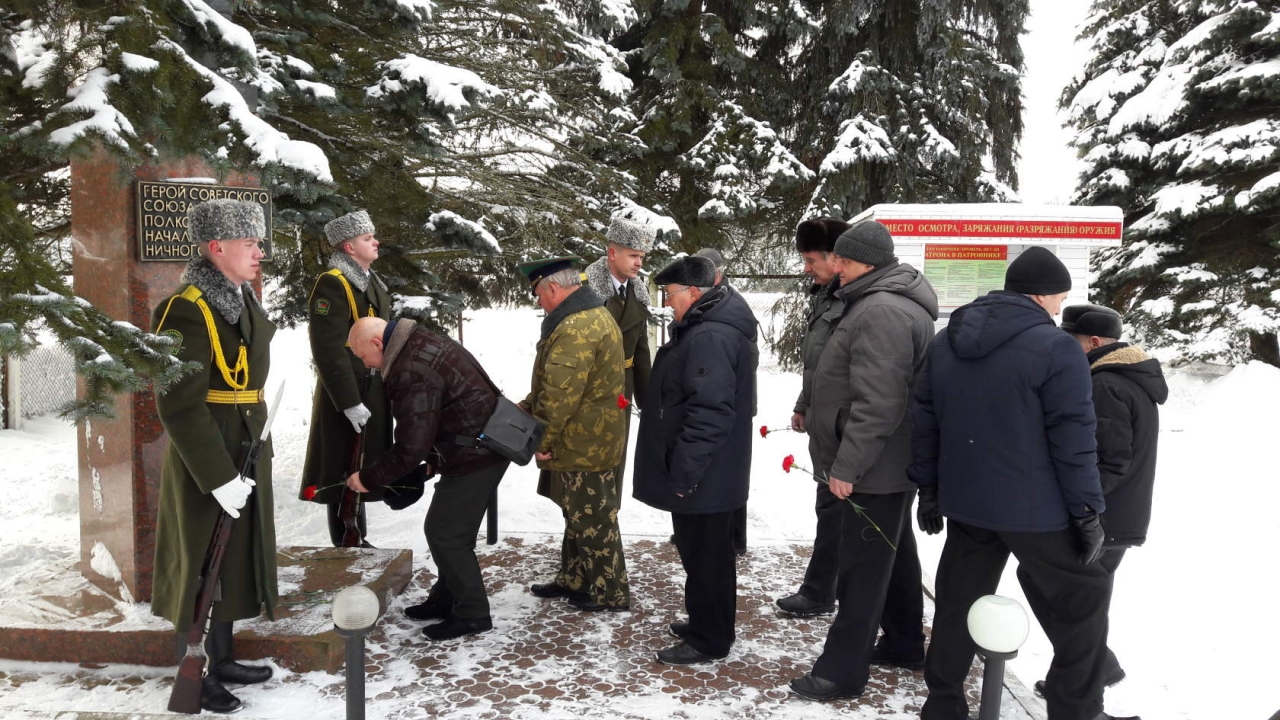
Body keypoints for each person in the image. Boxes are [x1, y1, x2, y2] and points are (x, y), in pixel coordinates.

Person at [910, 246, 1130, 720]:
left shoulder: (946, 341)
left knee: (958, 602)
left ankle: (943, 703)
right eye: (1060, 299)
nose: (1059, 309)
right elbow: (1074, 438)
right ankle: (1076, 710)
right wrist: (1086, 511)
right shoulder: (1057, 348)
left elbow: (925, 420)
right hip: (1035, 509)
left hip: (968, 503)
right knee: (1086, 598)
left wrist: (928, 489)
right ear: (1043, 295)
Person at [788, 221, 937, 700]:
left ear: (869, 264)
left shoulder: (883, 311)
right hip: (883, 464)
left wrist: (847, 467)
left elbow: (879, 403)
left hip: (874, 467)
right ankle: (904, 642)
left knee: (861, 571)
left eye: (845, 261)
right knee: (894, 554)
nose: (837, 268)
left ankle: (841, 671)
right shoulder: (874, 301)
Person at [150, 199, 277, 714]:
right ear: (216, 247)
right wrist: (218, 476)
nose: (259, 253)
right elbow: (178, 404)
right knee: (202, 560)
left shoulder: (240, 299)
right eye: (250, 243)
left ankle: (221, 658)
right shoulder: (186, 308)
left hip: (244, 444)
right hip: (209, 454)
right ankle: (194, 671)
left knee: (232, 555)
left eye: (258, 242)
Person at [1023, 304, 1167, 700]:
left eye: (1071, 340)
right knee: (1075, 596)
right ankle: (1093, 669)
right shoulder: (1126, 378)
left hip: (1105, 519)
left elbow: (1108, 461)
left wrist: (1081, 511)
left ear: (1095, 342)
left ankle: (1088, 676)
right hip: (1119, 515)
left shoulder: (1106, 385)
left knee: (1057, 589)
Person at [344, 316, 510, 641]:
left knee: (445, 534)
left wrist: (367, 478)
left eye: (364, 357)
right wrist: (434, 459)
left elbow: (410, 444)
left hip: (477, 451)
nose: (368, 366)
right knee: (449, 531)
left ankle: (473, 613)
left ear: (377, 343)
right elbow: (438, 406)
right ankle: (447, 598)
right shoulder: (416, 340)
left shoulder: (408, 368)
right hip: (475, 443)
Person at [634, 255, 759, 665]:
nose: (667, 302)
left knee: (707, 556)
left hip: (705, 472)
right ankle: (708, 624)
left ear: (693, 292)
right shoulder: (707, 327)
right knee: (705, 554)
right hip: (710, 470)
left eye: (670, 294)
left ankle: (709, 638)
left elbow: (710, 413)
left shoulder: (710, 336)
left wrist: (685, 472)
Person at [519, 256, 631, 612]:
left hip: (584, 442)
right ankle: (576, 579)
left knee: (594, 519)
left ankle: (610, 593)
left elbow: (559, 394)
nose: (539, 301)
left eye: (538, 293)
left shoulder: (576, 327)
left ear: (553, 287)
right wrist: (524, 407)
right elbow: (555, 386)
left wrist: (542, 439)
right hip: (590, 437)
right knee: (578, 513)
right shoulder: (591, 315)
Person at [299, 210, 393, 547]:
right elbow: (327, 348)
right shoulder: (333, 283)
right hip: (348, 389)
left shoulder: (372, 282)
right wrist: (348, 400)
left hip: (373, 385)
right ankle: (346, 540)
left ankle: (358, 536)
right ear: (349, 247)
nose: (376, 242)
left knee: (361, 462)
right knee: (343, 465)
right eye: (368, 238)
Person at [776, 217, 851, 617]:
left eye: (810, 260)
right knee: (831, 507)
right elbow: (818, 363)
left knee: (836, 509)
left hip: (844, 425)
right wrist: (804, 402)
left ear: (835, 257)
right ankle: (825, 588)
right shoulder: (825, 296)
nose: (806, 268)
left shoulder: (850, 300)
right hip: (825, 419)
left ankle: (822, 590)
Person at [583, 217, 654, 487]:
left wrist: (647, 402)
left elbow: (641, 351)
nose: (639, 263)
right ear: (612, 253)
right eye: (633, 255)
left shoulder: (638, 292)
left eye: (642, 257)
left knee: (616, 460)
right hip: (589, 390)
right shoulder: (585, 290)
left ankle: (610, 509)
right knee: (586, 459)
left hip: (622, 389)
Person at [694, 246, 752, 557]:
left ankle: (734, 537)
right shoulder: (716, 300)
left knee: (729, 469)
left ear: (717, 274)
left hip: (732, 402)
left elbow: (745, 356)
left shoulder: (730, 304)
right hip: (726, 398)